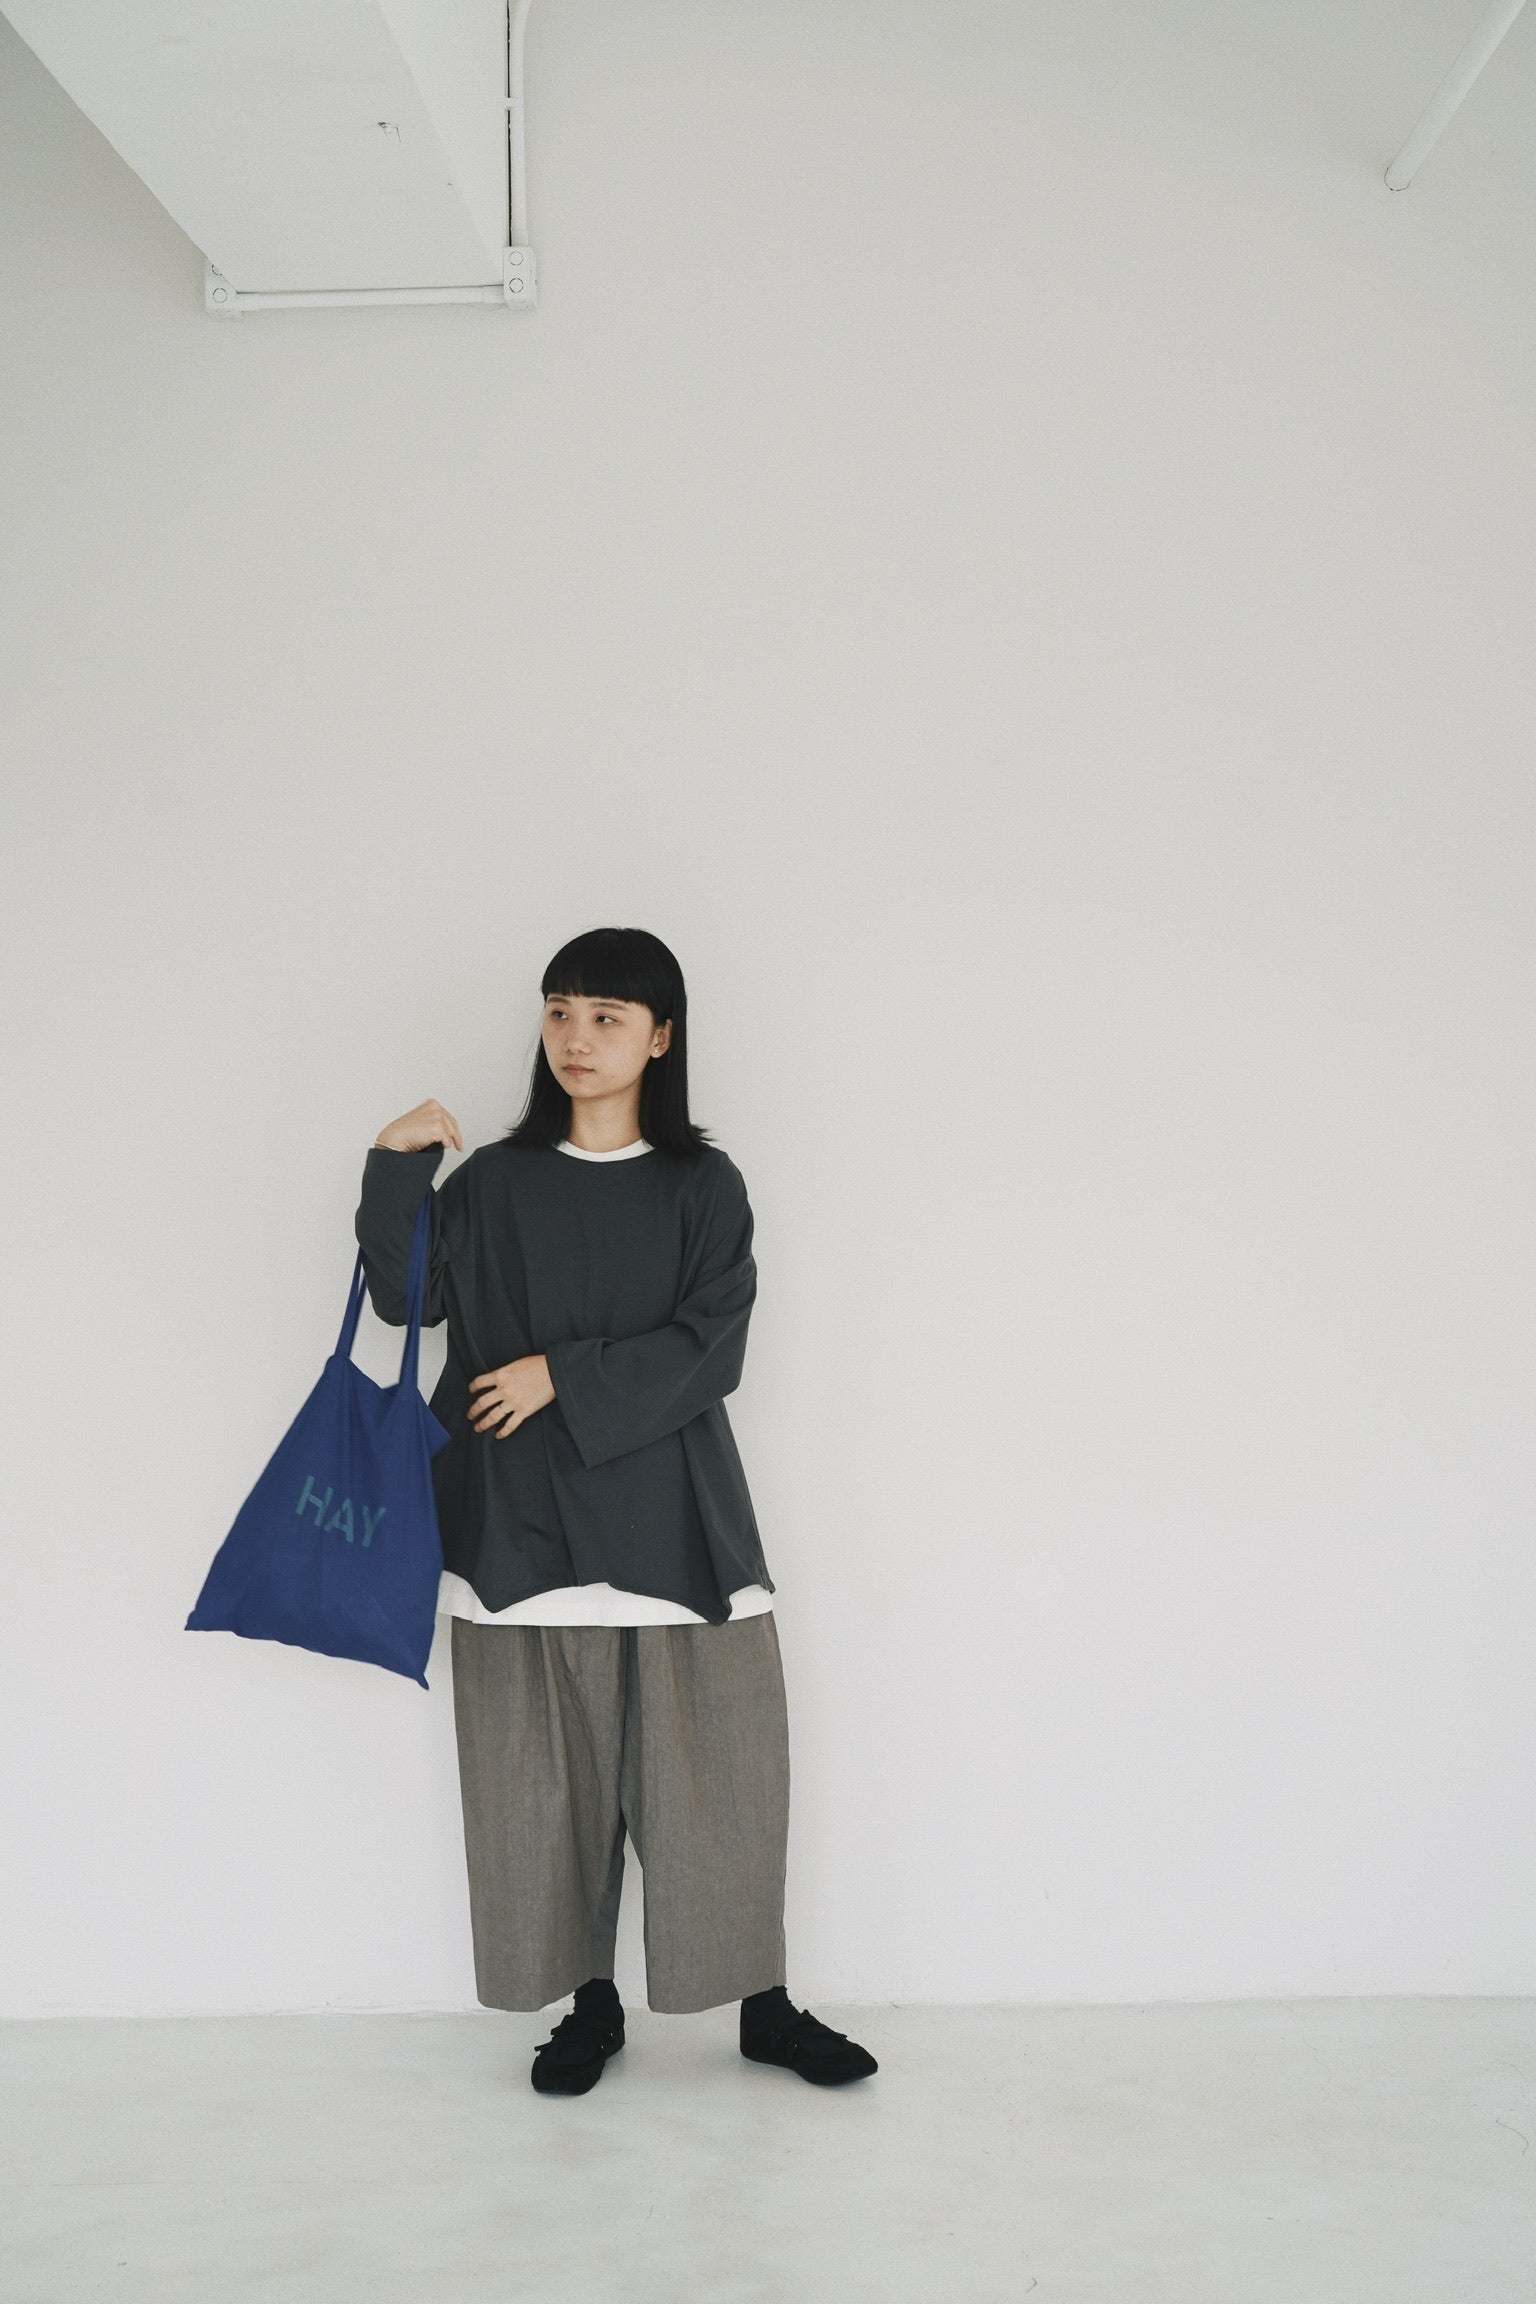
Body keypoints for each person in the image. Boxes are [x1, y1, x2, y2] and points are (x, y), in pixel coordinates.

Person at [355, 925, 877, 2096]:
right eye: (559, 1011)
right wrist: (394, 1166)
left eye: (605, 1016)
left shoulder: (703, 1185)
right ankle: (588, 2009)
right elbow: (406, 1298)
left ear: (660, 1037)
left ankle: (764, 2008)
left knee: (726, 1783)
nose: (576, 1038)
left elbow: (712, 1348)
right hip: (516, 1527)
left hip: (674, 1524)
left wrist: (560, 1375)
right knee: (541, 1795)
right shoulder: (492, 1182)